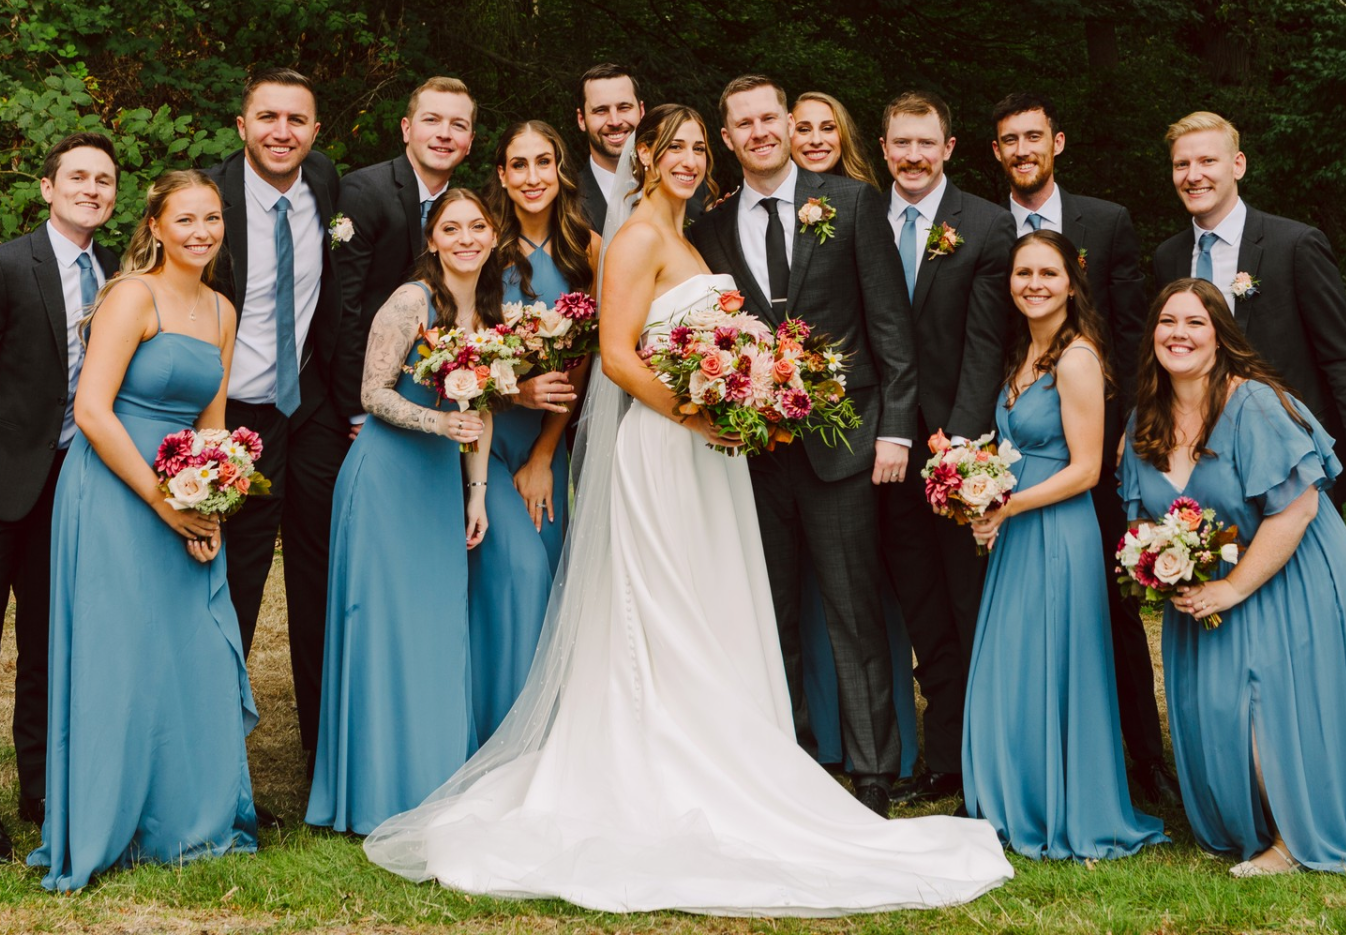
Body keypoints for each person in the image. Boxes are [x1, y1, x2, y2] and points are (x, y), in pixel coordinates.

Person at [361, 105, 1012, 915]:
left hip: (712, 453)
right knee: (665, 610)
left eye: (700, 148)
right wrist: (699, 415)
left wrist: (745, 395)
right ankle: (664, 767)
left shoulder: (692, 232)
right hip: (667, 448)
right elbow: (616, 354)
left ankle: (739, 756)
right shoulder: (637, 236)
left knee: (714, 606)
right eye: (674, 147)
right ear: (644, 155)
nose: (690, 159)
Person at [1151, 110, 1346, 849]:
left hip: (1290, 476)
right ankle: (1249, 802)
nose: (1194, 174)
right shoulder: (1169, 257)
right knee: (1238, 648)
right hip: (1215, 485)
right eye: (1182, 164)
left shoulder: (1291, 245)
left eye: (1207, 161)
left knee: (1321, 649)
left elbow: (1342, 354)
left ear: (1238, 165)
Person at [1118, 279, 1346, 879]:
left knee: (1266, 701)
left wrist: (1231, 587)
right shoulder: (1143, 421)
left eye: (1195, 322)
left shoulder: (1255, 405)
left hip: (1290, 564)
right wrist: (1162, 567)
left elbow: (1297, 510)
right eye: (1167, 322)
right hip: (1208, 578)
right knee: (1216, 702)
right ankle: (1243, 821)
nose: (1178, 334)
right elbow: (1143, 520)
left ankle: (1292, 838)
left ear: (1220, 337)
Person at [688, 75, 916, 817]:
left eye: (769, 117)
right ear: (728, 138)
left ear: (789, 123)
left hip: (843, 441)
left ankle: (874, 771)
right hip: (753, 454)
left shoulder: (850, 202)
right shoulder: (711, 228)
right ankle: (788, 759)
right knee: (769, 612)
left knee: (853, 610)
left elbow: (889, 324)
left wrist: (894, 428)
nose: (759, 132)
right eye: (743, 124)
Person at [30, 170, 257, 891]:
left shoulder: (221, 309)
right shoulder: (132, 295)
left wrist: (213, 501)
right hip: (115, 487)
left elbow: (213, 422)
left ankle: (185, 818)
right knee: (122, 653)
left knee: (193, 649)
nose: (201, 232)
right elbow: (92, 411)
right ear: (155, 226)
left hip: (186, 488)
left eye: (212, 218)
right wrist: (164, 500)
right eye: (184, 219)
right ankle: (110, 819)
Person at [0, 132, 120, 863]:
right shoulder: (5, 266)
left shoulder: (117, 273)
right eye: (78, 176)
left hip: (71, 491)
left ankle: (39, 789)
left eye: (104, 180)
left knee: (48, 648)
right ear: (47, 187)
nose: (91, 189)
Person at [957, 230, 1166, 860]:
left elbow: (1087, 468)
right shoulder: (1024, 351)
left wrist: (1009, 505)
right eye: (1024, 273)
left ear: (1072, 284)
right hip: (1019, 529)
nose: (1034, 285)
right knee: (1017, 662)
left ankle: (1060, 803)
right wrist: (980, 492)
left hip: (1057, 529)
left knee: (1052, 661)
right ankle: (1017, 794)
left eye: (1048, 273)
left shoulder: (1076, 358)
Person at [991, 91, 1175, 805]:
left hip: (1095, 448)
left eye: (1033, 136)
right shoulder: (983, 230)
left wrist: (1126, 428)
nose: (1023, 150)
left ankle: (1141, 758)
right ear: (996, 151)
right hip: (1024, 435)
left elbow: (1131, 333)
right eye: (1010, 140)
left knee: (1112, 609)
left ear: (1056, 142)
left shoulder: (1107, 221)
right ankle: (1036, 753)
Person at [306, 190, 495, 834]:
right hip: (386, 479)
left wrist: (476, 491)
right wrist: (440, 423)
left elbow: (482, 407)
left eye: (477, 226)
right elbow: (372, 392)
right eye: (452, 228)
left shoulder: (487, 310)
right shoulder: (411, 301)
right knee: (383, 628)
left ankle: (433, 780)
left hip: (438, 483)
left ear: (492, 235)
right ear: (432, 238)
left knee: (437, 625)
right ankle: (374, 790)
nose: (466, 238)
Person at [205, 68, 344, 816]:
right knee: (235, 583)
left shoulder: (327, 185)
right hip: (233, 416)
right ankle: (216, 761)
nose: (281, 132)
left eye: (296, 119)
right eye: (267, 117)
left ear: (315, 132)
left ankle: (326, 762)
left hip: (310, 410)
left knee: (321, 582)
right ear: (242, 125)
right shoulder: (209, 199)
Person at [872, 91, 1013, 808]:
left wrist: (958, 451)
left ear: (949, 147)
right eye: (901, 142)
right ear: (884, 147)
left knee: (968, 605)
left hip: (956, 453)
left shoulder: (985, 225)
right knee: (922, 610)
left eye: (926, 142)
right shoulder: (862, 216)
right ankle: (946, 759)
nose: (913, 155)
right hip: (884, 451)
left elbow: (986, 344)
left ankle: (986, 761)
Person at [471, 121, 601, 741]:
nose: (531, 177)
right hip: (484, 440)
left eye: (542, 162)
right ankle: (498, 733)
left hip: (546, 445)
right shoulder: (482, 246)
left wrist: (546, 453)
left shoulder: (588, 249)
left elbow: (584, 361)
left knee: (547, 578)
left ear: (559, 169)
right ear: (501, 175)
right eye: (517, 164)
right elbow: (459, 347)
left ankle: (545, 735)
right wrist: (514, 391)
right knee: (516, 571)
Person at [333, 76, 478, 436]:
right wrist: (358, 412)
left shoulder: (468, 212)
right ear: (406, 129)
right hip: (364, 401)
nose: (444, 134)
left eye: (458, 125)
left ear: (470, 142)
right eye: (432, 120)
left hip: (438, 403)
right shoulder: (365, 191)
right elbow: (343, 309)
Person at [575, 63, 645, 228]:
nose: (615, 121)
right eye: (601, 110)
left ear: (641, 112)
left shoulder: (685, 187)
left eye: (624, 107)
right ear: (581, 119)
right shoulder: (566, 199)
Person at [791, 91, 881, 187]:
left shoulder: (864, 192)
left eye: (827, 128)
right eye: (804, 129)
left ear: (845, 135)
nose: (816, 140)